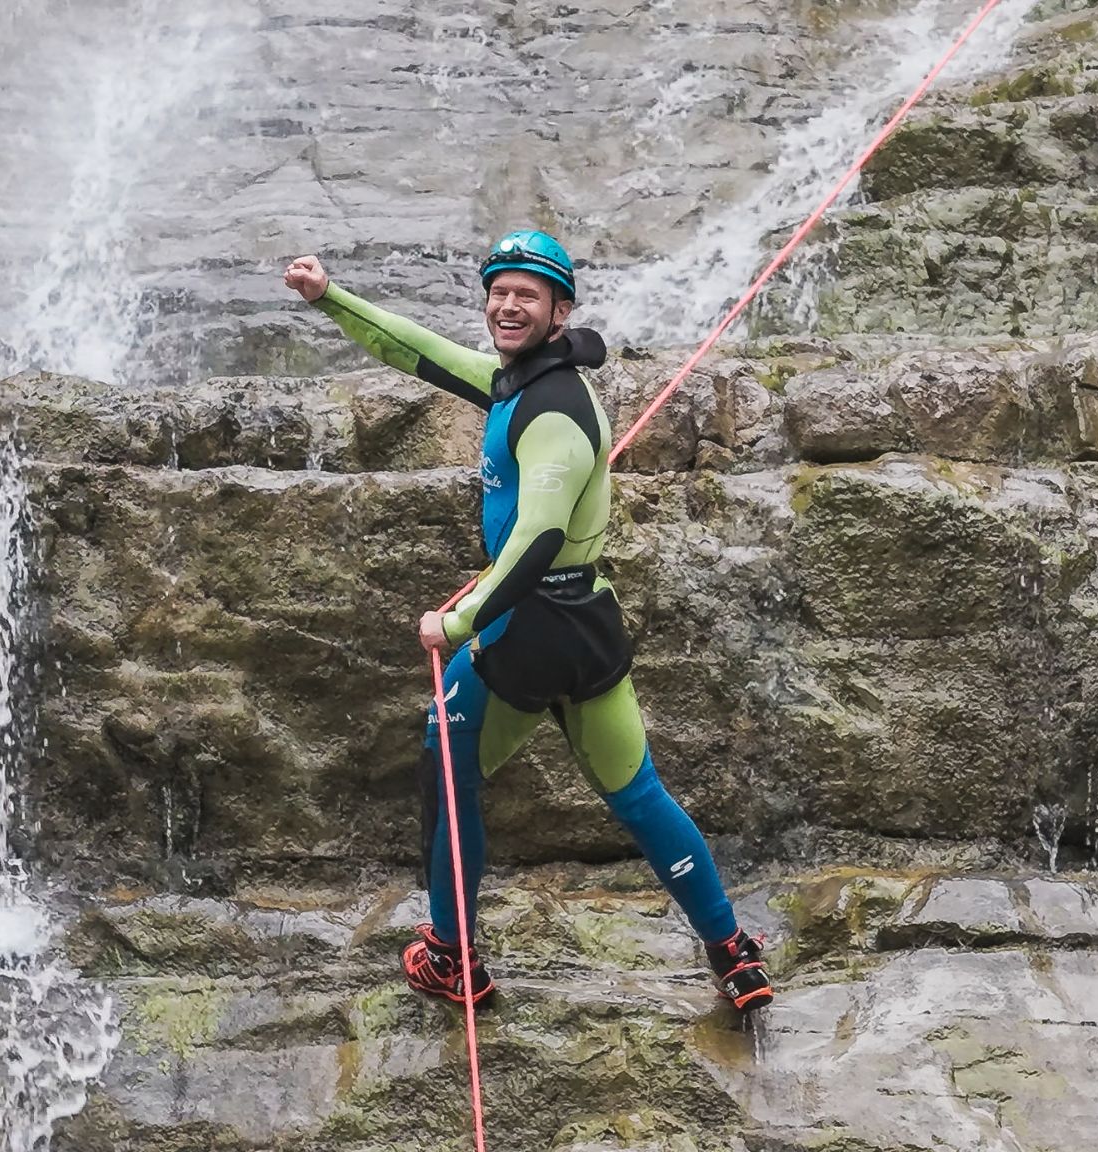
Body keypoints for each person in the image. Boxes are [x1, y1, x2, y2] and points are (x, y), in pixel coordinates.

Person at [282, 232, 774, 1012]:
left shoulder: (552, 413)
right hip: (588, 629)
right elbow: (419, 352)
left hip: (525, 631)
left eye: (528, 295)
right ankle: (733, 954)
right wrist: (330, 298)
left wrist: (461, 620)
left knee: (447, 768)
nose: (508, 305)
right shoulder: (519, 383)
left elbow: (539, 540)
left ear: (559, 311)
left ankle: (451, 955)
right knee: (639, 796)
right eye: (499, 291)